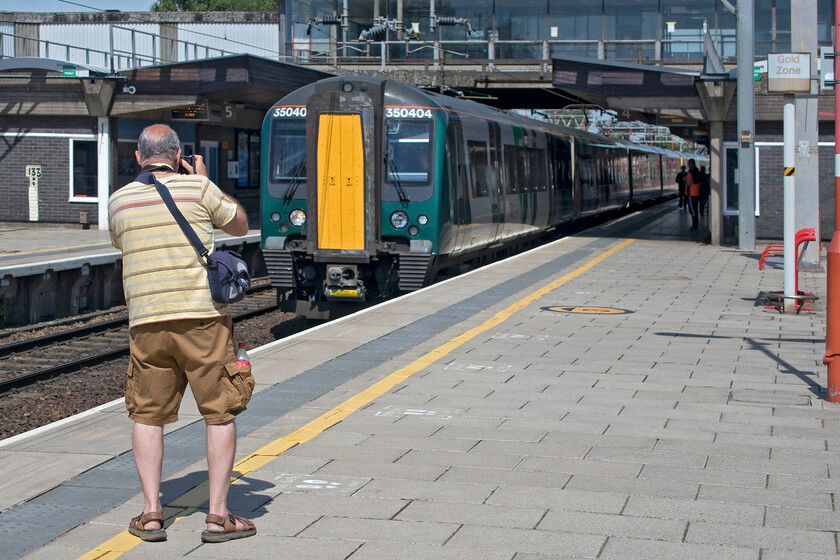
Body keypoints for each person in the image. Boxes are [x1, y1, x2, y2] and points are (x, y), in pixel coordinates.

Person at [108, 124, 256, 544]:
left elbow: (123, 243)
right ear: (177, 157)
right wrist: (205, 181)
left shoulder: (119, 201)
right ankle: (217, 516)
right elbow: (240, 226)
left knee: (147, 414)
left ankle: (152, 514)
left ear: (139, 158)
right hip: (202, 319)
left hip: (147, 322)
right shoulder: (200, 189)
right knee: (219, 411)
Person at [686, 158, 701, 232]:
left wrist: (684, 180)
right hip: (697, 193)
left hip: (692, 193)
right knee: (695, 210)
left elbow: (688, 183)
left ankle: (695, 226)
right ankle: (695, 226)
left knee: (692, 211)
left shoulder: (690, 173)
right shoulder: (697, 171)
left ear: (689, 164)